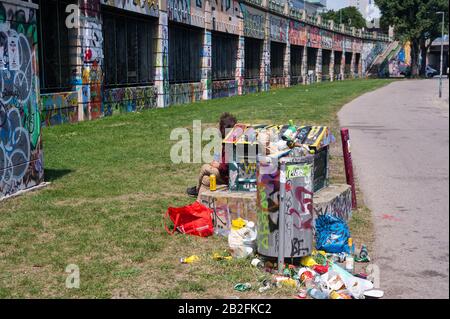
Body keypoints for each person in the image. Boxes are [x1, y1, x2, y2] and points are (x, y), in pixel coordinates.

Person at [186, 112, 237, 199]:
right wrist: (216, 160)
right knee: (206, 179)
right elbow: (219, 156)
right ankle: (200, 201)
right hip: (225, 173)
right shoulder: (227, 141)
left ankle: (197, 190)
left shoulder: (230, 144)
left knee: (204, 167)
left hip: (226, 176)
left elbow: (226, 167)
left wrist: (218, 165)